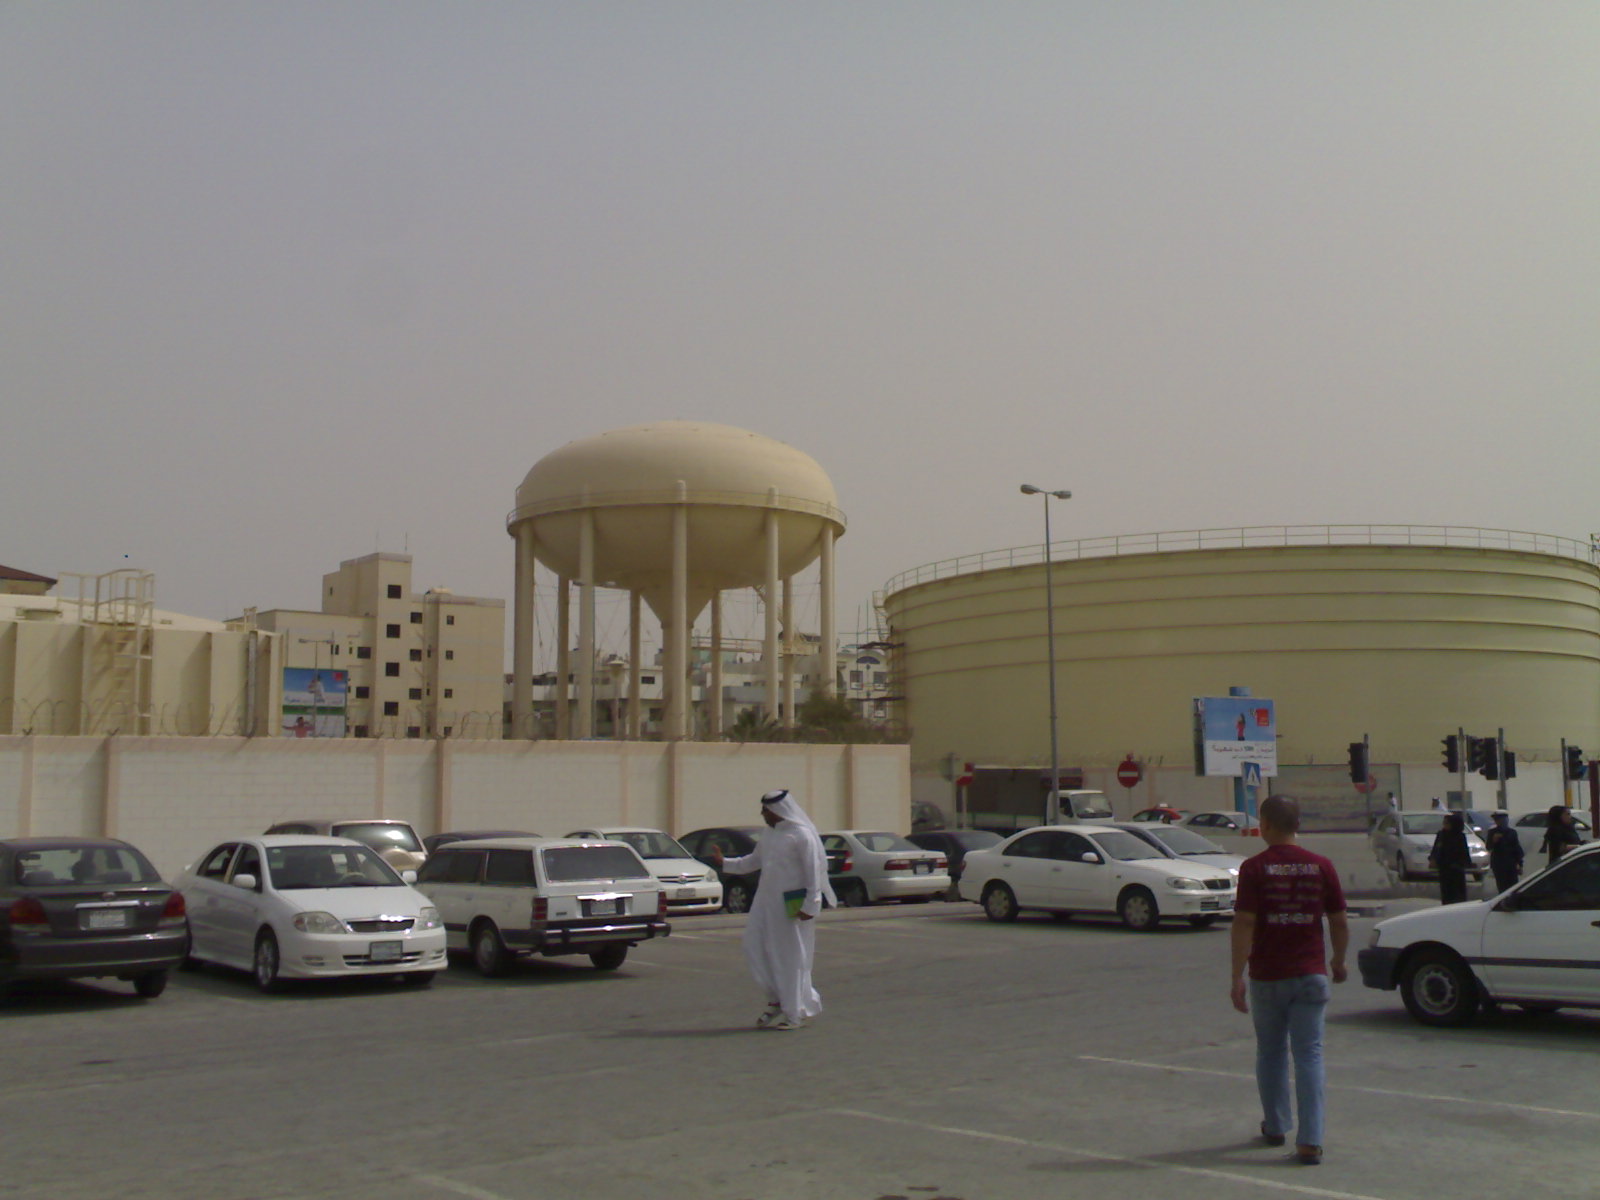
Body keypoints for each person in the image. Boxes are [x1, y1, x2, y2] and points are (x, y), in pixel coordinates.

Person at [1230, 794, 1348, 1167]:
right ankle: (1310, 1141)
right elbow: (1339, 920)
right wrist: (1338, 960)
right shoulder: (1321, 866)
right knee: (1309, 1054)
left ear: (1265, 824)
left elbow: (1244, 923)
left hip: (1268, 975)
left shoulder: (1253, 868)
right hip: (1311, 974)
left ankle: (1277, 1125)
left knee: (1271, 1052)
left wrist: (1237, 976)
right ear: (1297, 826)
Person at [707, 789, 837, 1031]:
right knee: (754, 947)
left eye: (766, 810)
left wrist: (812, 905)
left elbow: (813, 873)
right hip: (765, 903)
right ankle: (777, 999)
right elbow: (753, 862)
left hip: (793, 907)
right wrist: (725, 863)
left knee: (789, 957)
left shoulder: (802, 836)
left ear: (779, 810)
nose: (763, 814)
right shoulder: (770, 835)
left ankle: (795, 1011)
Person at [1429, 811, 1471, 904]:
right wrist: (1433, 859)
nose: (1444, 825)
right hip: (1444, 869)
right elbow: (1436, 848)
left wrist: (1462, 864)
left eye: (1447, 823)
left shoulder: (1459, 836)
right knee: (1446, 892)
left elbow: (1464, 853)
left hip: (1456, 869)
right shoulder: (1441, 834)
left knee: (1457, 893)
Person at [1484, 811, 1523, 893]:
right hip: (1498, 863)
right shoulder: (1492, 832)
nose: (1500, 822)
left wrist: (1520, 863)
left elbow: (1516, 848)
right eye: (1497, 820)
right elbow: (1488, 847)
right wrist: (1494, 840)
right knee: (1502, 886)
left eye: (1502, 820)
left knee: (1513, 886)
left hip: (1510, 862)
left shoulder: (1512, 832)